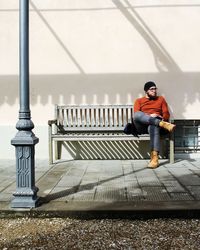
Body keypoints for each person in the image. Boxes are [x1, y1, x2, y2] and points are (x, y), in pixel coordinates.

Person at [133, 81, 175, 169]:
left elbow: (166, 114)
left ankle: (154, 158)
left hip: (155, 125)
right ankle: (159, 123)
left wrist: (160, 117)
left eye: (155, 89)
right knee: (137, 115)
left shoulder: (161, 99)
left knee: (153, 126)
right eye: (151, 89)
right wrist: (150, 116)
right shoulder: (139, 101)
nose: (154, 91)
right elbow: (137, 115)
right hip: (142, 126)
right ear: (146, 91)